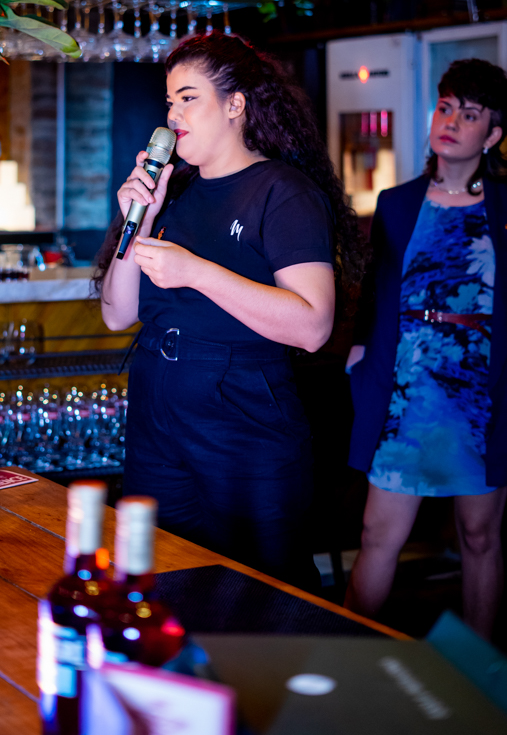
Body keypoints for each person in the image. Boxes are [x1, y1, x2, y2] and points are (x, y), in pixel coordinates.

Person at [95, 32, 364, 585]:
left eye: (188, 98)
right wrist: (138, 220)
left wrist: (197, 272)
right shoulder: (174, 192)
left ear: (235, 104)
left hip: (241, 412)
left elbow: (313, 325)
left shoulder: (281, 192)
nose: (173, 115)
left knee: (259, 591)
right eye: (169, 101)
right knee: (162, 581)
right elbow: (117, 314)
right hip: (157, 409)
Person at [345, 59, 507, 639]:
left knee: (480, 537)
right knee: (376, 534)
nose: (451, 122)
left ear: (492, 135)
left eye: (470, 114)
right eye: (445, 108)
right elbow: (374, 288)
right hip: (405, 389)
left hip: (481, 392)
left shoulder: (505, 207)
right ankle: (351, 657)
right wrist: (359, 350)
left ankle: (481, 671)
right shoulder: (397, 202)